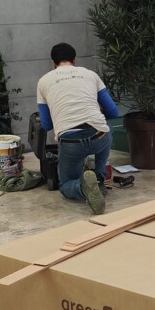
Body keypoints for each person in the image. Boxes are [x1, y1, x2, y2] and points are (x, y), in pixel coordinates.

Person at [36, 43, 120, 213]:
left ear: (53, 62)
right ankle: (99, 179)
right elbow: (113, 111)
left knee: (66, 184)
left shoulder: (43, 81)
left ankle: (82, 187)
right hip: (99, 135)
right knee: (106, 129)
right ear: (75, 60)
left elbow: (46, 125)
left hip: (70, 141)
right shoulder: (91, 75)